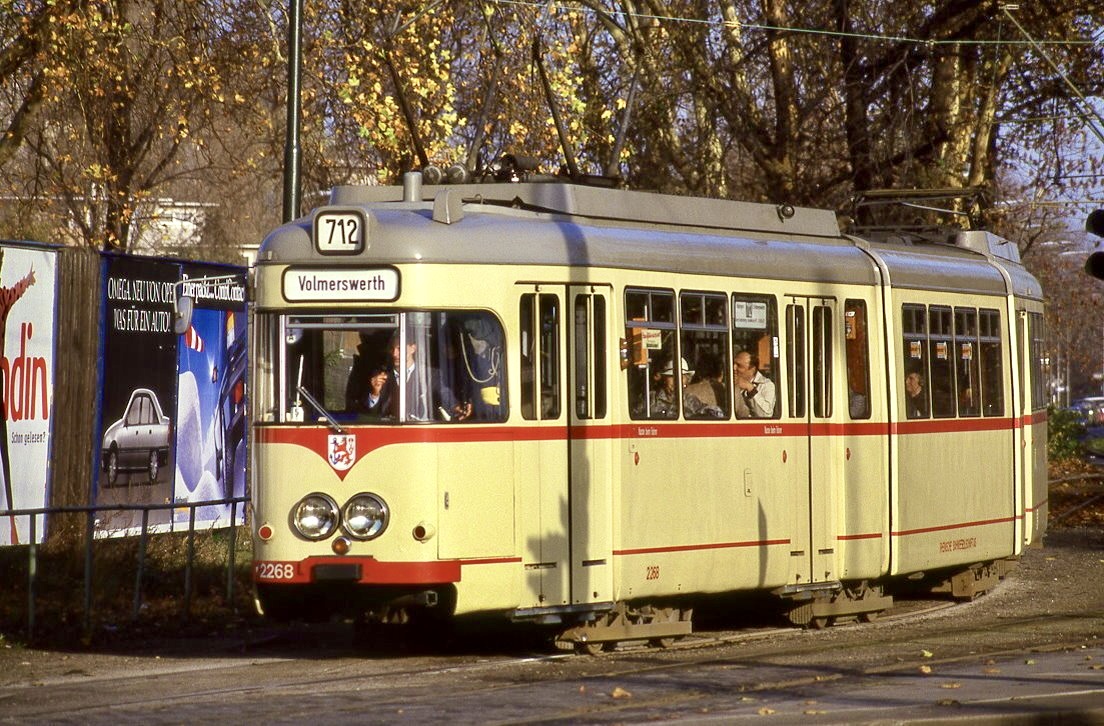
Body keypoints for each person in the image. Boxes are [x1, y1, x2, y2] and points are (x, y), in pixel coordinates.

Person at [733, 350, 776, 418]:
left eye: (739, 365)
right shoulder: (728, 383)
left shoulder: (766, 385)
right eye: (733, 364)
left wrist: (751, 389)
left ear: (752, 369)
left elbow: (765, 415)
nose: (734, 368)